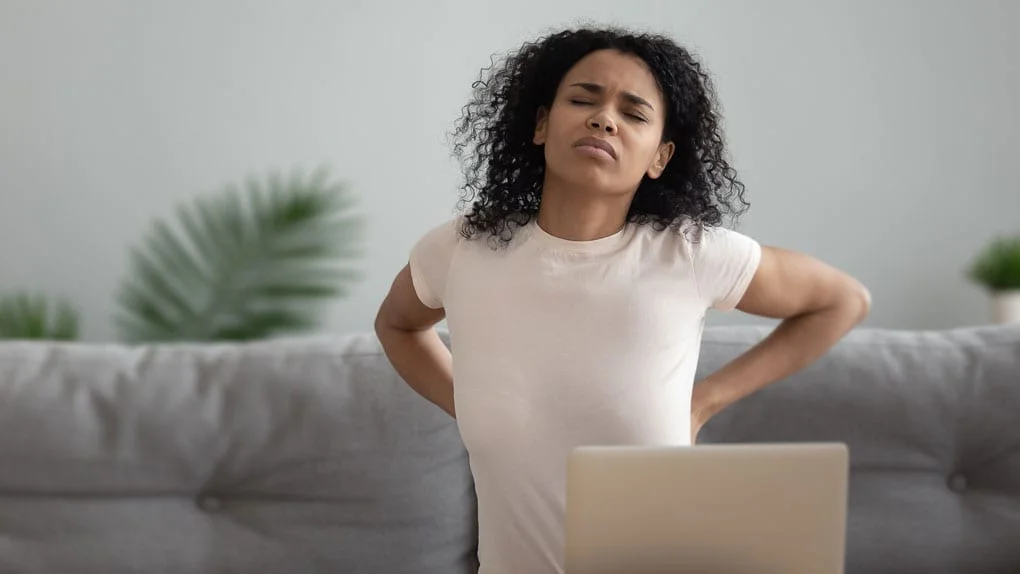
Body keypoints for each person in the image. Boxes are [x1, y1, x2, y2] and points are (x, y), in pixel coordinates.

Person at [375, 26, 871, 574]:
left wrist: (704, 402)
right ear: (541, 124)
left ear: (659, 156)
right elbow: (397, 325)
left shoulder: (689, 254)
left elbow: (842, 301)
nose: (603, 118)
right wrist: (465, 399)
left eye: (633, 114)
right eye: (582, 99)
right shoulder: (460, 250)